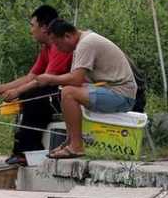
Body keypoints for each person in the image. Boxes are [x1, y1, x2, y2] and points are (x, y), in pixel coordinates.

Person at [35, 19, 137, 159]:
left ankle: (76, 147)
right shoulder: (82, 43)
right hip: (111, 91)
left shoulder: (86, 43)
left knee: (69, 93)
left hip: (121, 95)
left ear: (67, 36)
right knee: (67, 90)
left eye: (58, 44)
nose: (58, 49)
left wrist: (50, 78)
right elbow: (76, 80)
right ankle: (70, 141)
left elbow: (75, 79)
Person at [0, 5, 72, 166]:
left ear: (45, 27)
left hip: (67, 95)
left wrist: (17, 91)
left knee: (34, 97)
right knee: (29, 94)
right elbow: (32, 76)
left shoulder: (59, 46)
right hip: (55, 91)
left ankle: (29, 150)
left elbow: (45, 79)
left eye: (33, 26)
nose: (31, 30)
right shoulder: (46, 47)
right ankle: (21, 150)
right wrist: (0, 89)